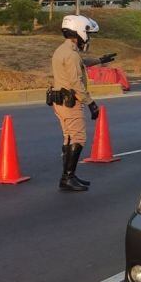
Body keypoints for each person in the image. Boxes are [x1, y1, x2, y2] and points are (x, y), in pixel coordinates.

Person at [48, 14, 101, 192]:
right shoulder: (71, 55)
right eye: (87, 32)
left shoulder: (63, 51)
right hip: (70, 102)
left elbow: (81, 63)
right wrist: (91, 103)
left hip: (60, 101)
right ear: (78, 31)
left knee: (69, 137)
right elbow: (76, 82)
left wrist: (100, 60)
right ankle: (67, 177)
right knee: (78, 137)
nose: (88, 36)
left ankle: (69, 175)